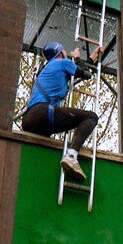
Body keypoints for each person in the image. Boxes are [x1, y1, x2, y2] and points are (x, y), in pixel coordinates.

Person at [22, 41, 101, 181]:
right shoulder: (63, 62)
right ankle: (71, 156)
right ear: (60, 53)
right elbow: (87, 74)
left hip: (29, 120)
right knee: (91, 117)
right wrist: (76, 57)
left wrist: (93, 57)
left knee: (43, 149)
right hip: (44, 113)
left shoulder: (45, 69)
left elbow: (78, 71)